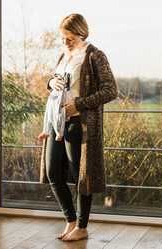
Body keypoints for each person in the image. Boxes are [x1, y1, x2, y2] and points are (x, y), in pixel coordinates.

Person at [39, 13, 117, 242]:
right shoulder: (64, 55)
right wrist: (50, 82)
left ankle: (82, 227)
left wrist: (78, 105)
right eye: (62, 38)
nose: (65, 42)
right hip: (57, 120)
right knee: (53, 172)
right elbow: (56, 82)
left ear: (82, 33)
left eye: (70, 38)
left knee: (80, 175)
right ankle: (70, 221)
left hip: (78, 123)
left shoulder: (95, 56)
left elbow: (111, 90)